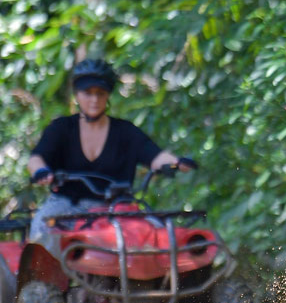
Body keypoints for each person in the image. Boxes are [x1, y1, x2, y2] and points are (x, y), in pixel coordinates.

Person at [27, 58, 193, 248]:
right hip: (67, 205)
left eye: (100, 93)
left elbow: (154, 155)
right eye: (87, 93)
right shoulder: (61, 128)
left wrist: (176, 162)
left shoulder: (125, 131)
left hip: (116, 208)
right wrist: (41, 172)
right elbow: (36, 158)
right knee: (42, 229)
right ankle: (43, 278)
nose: (94, 99)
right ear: (76, 94)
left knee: (161, 236)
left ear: (108, 95)